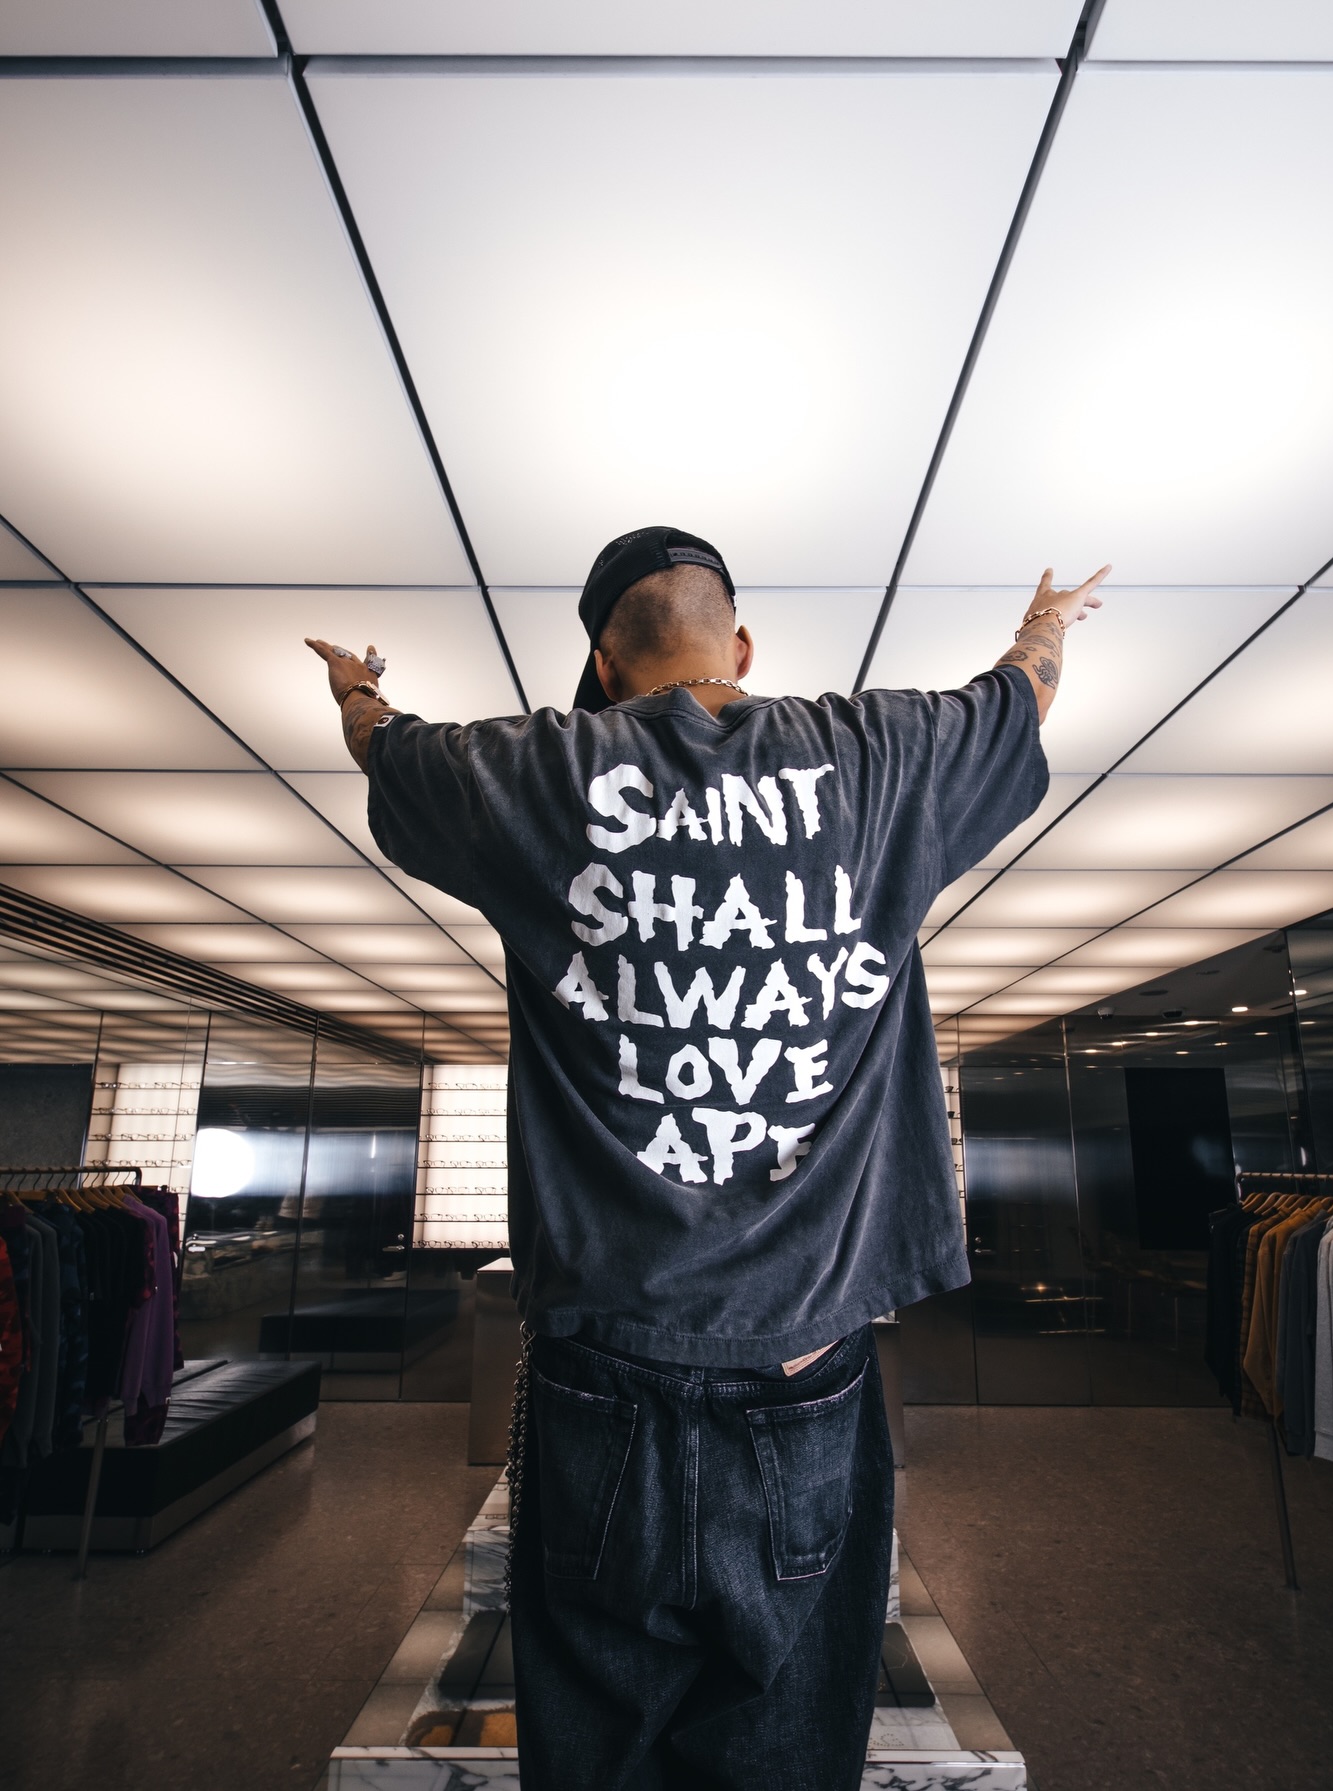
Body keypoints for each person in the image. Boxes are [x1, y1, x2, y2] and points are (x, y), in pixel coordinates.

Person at [306, 527, 1106, 1790]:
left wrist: (356, 682)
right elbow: (1020, 699)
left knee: (599, 1741)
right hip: (805, 1359)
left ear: (601, 667)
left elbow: (384, 747)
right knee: (783, 1731)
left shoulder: (533, 771)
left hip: (602, 1355)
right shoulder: (882, 756)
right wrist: (1043, 624)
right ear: (741, 644)